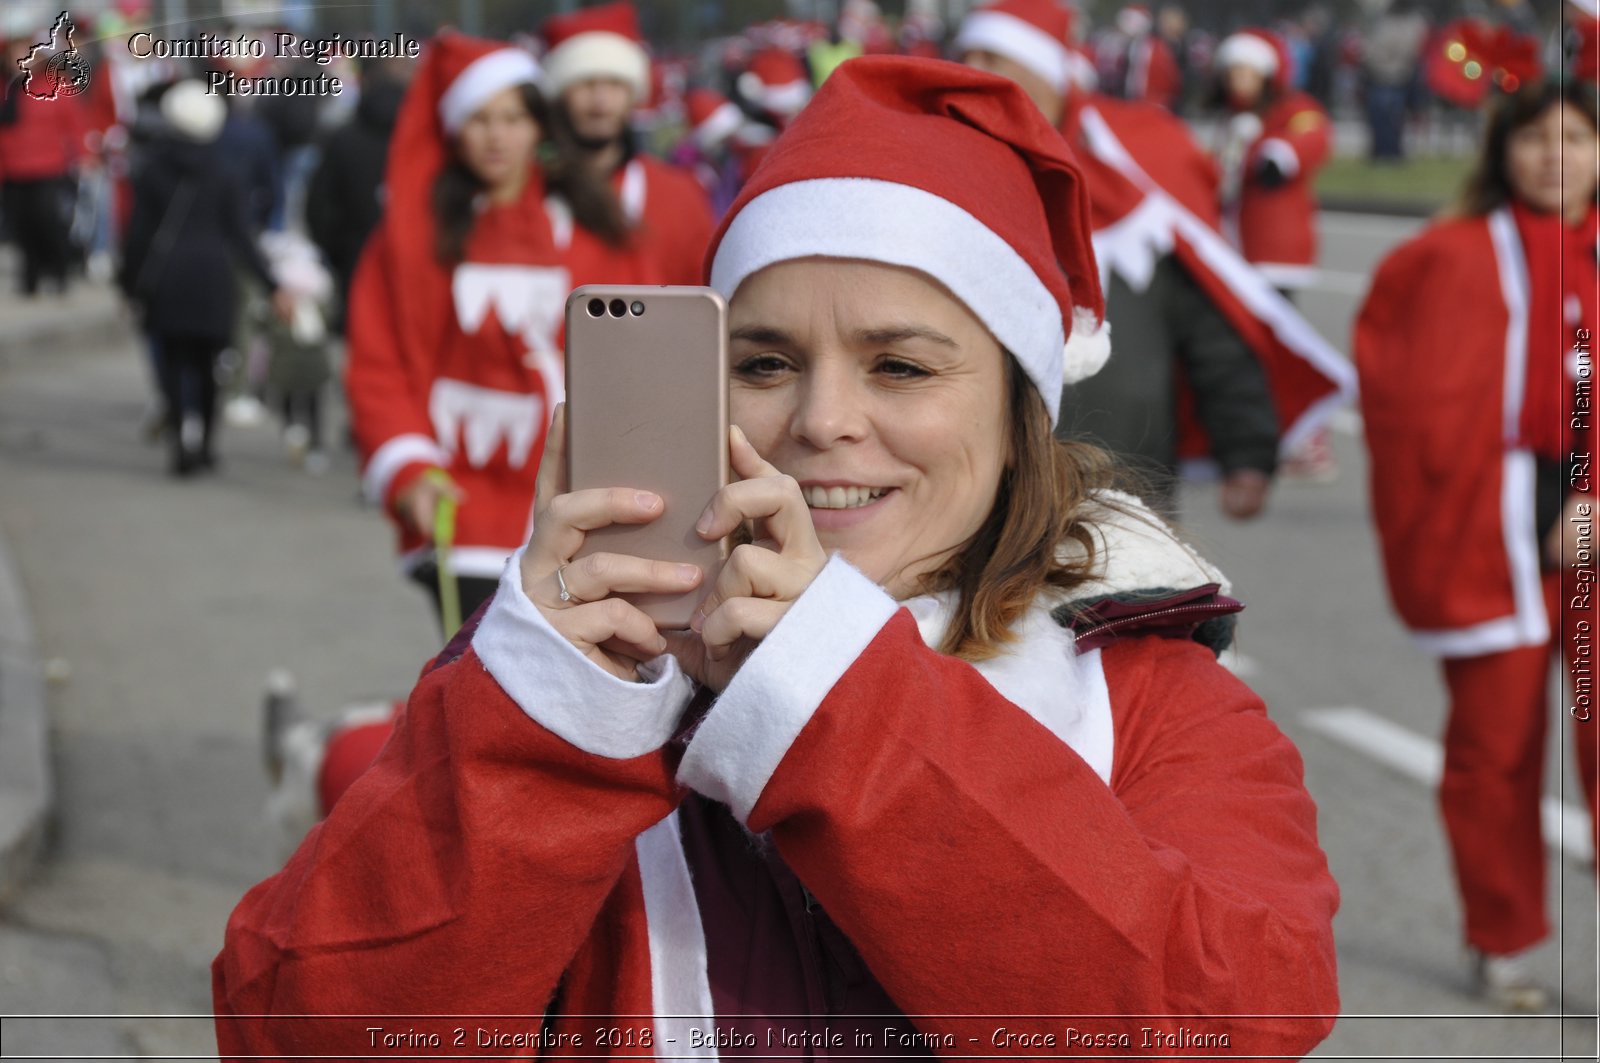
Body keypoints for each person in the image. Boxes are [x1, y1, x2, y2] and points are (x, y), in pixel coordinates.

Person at [217, 56, 1339, 1054]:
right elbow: (299, 1030)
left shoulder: (1157, 697)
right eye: (762, 362)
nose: (821, 421)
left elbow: (1223, 1021)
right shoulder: (556, 682)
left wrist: (837, 701)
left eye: (899, 366)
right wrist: (540, 728)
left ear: (1018, 415)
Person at [1356, 76, 1599, 1013]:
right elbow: (1406, 401)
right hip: (1490, 539)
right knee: (1495, 750)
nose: (1555, 157)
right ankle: (1500, 935)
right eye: (1535, 138)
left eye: (1575, 137)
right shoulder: (1446, 259)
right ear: (1503, 151)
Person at [956, 0, 1354, 518]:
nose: (973, 72)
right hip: (986, 503)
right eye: (968, 55)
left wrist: (1247, 453)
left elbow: (1212, 326)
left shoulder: (1133, 190)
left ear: (1049, 75)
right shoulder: (949, 191)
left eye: (995, 55)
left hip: (1128, 494)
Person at [345, 33, 651, 631]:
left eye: (513, 118)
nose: (497, 136)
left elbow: (636, 358)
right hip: (462, 507)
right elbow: (377, 364)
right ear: (456, 129)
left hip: (580, 506)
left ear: (538, 127)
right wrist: (408, 471)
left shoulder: (592, 229)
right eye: (481, 119)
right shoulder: (415, 240)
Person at [117, 80, 290, 476]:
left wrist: (127, 284)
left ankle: (181, 444)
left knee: (174, 365)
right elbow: (241, 237)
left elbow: (138, 234)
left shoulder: (152, 170)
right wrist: (273, 285)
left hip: (167, 278)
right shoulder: (225, 172)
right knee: (211, 366)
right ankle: (207, 446)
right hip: (213, 278)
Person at [539, 1, 715, 285]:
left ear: (634, 94)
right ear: (560, 95)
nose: (600, 102)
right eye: (585, 84)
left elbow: (700, 302)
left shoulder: (679, 195)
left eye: (614, 84)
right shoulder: (532, 191)